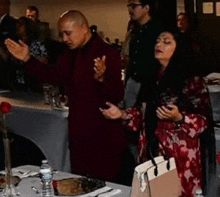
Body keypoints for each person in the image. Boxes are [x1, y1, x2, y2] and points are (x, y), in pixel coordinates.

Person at [5, 10, 127, 183]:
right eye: (62, 34)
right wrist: (28, 60)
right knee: (79, 182)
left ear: (84, 29)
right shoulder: (69, 54)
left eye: (68, 33)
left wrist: (102, 79)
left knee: (105, 185)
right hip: (78, 134)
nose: (63, 39)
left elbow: (116, 96)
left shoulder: (108, 54)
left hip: (102, 137)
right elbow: (54, 77)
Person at [100, 29, 216, 196]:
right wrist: (122, 114)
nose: (159, 44)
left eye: (166, 42)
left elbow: (204, 122)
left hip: (180, 157)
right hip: (151, 151)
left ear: (179, 48)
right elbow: (142, 114)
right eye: (157, 41)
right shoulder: (152, 78)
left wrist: (180, 117)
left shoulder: (192, 81)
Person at [14, 16, 48, 92]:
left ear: (27, 27)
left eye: (21, 24)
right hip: (18, 83)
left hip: (33, 83)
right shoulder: (16, 43)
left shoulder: (37, 44)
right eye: (17, 24)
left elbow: (43, 64)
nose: (17, 26)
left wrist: (28, 59)